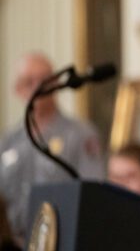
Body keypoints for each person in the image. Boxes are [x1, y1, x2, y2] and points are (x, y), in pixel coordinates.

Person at [0, 53, 104, 241]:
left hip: (61, 239)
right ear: (17, 89)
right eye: (29, 81)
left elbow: (92, 191)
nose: (38, 88)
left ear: (56, 84)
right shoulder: (9, 141)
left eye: (44, 80)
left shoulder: (80, 134)